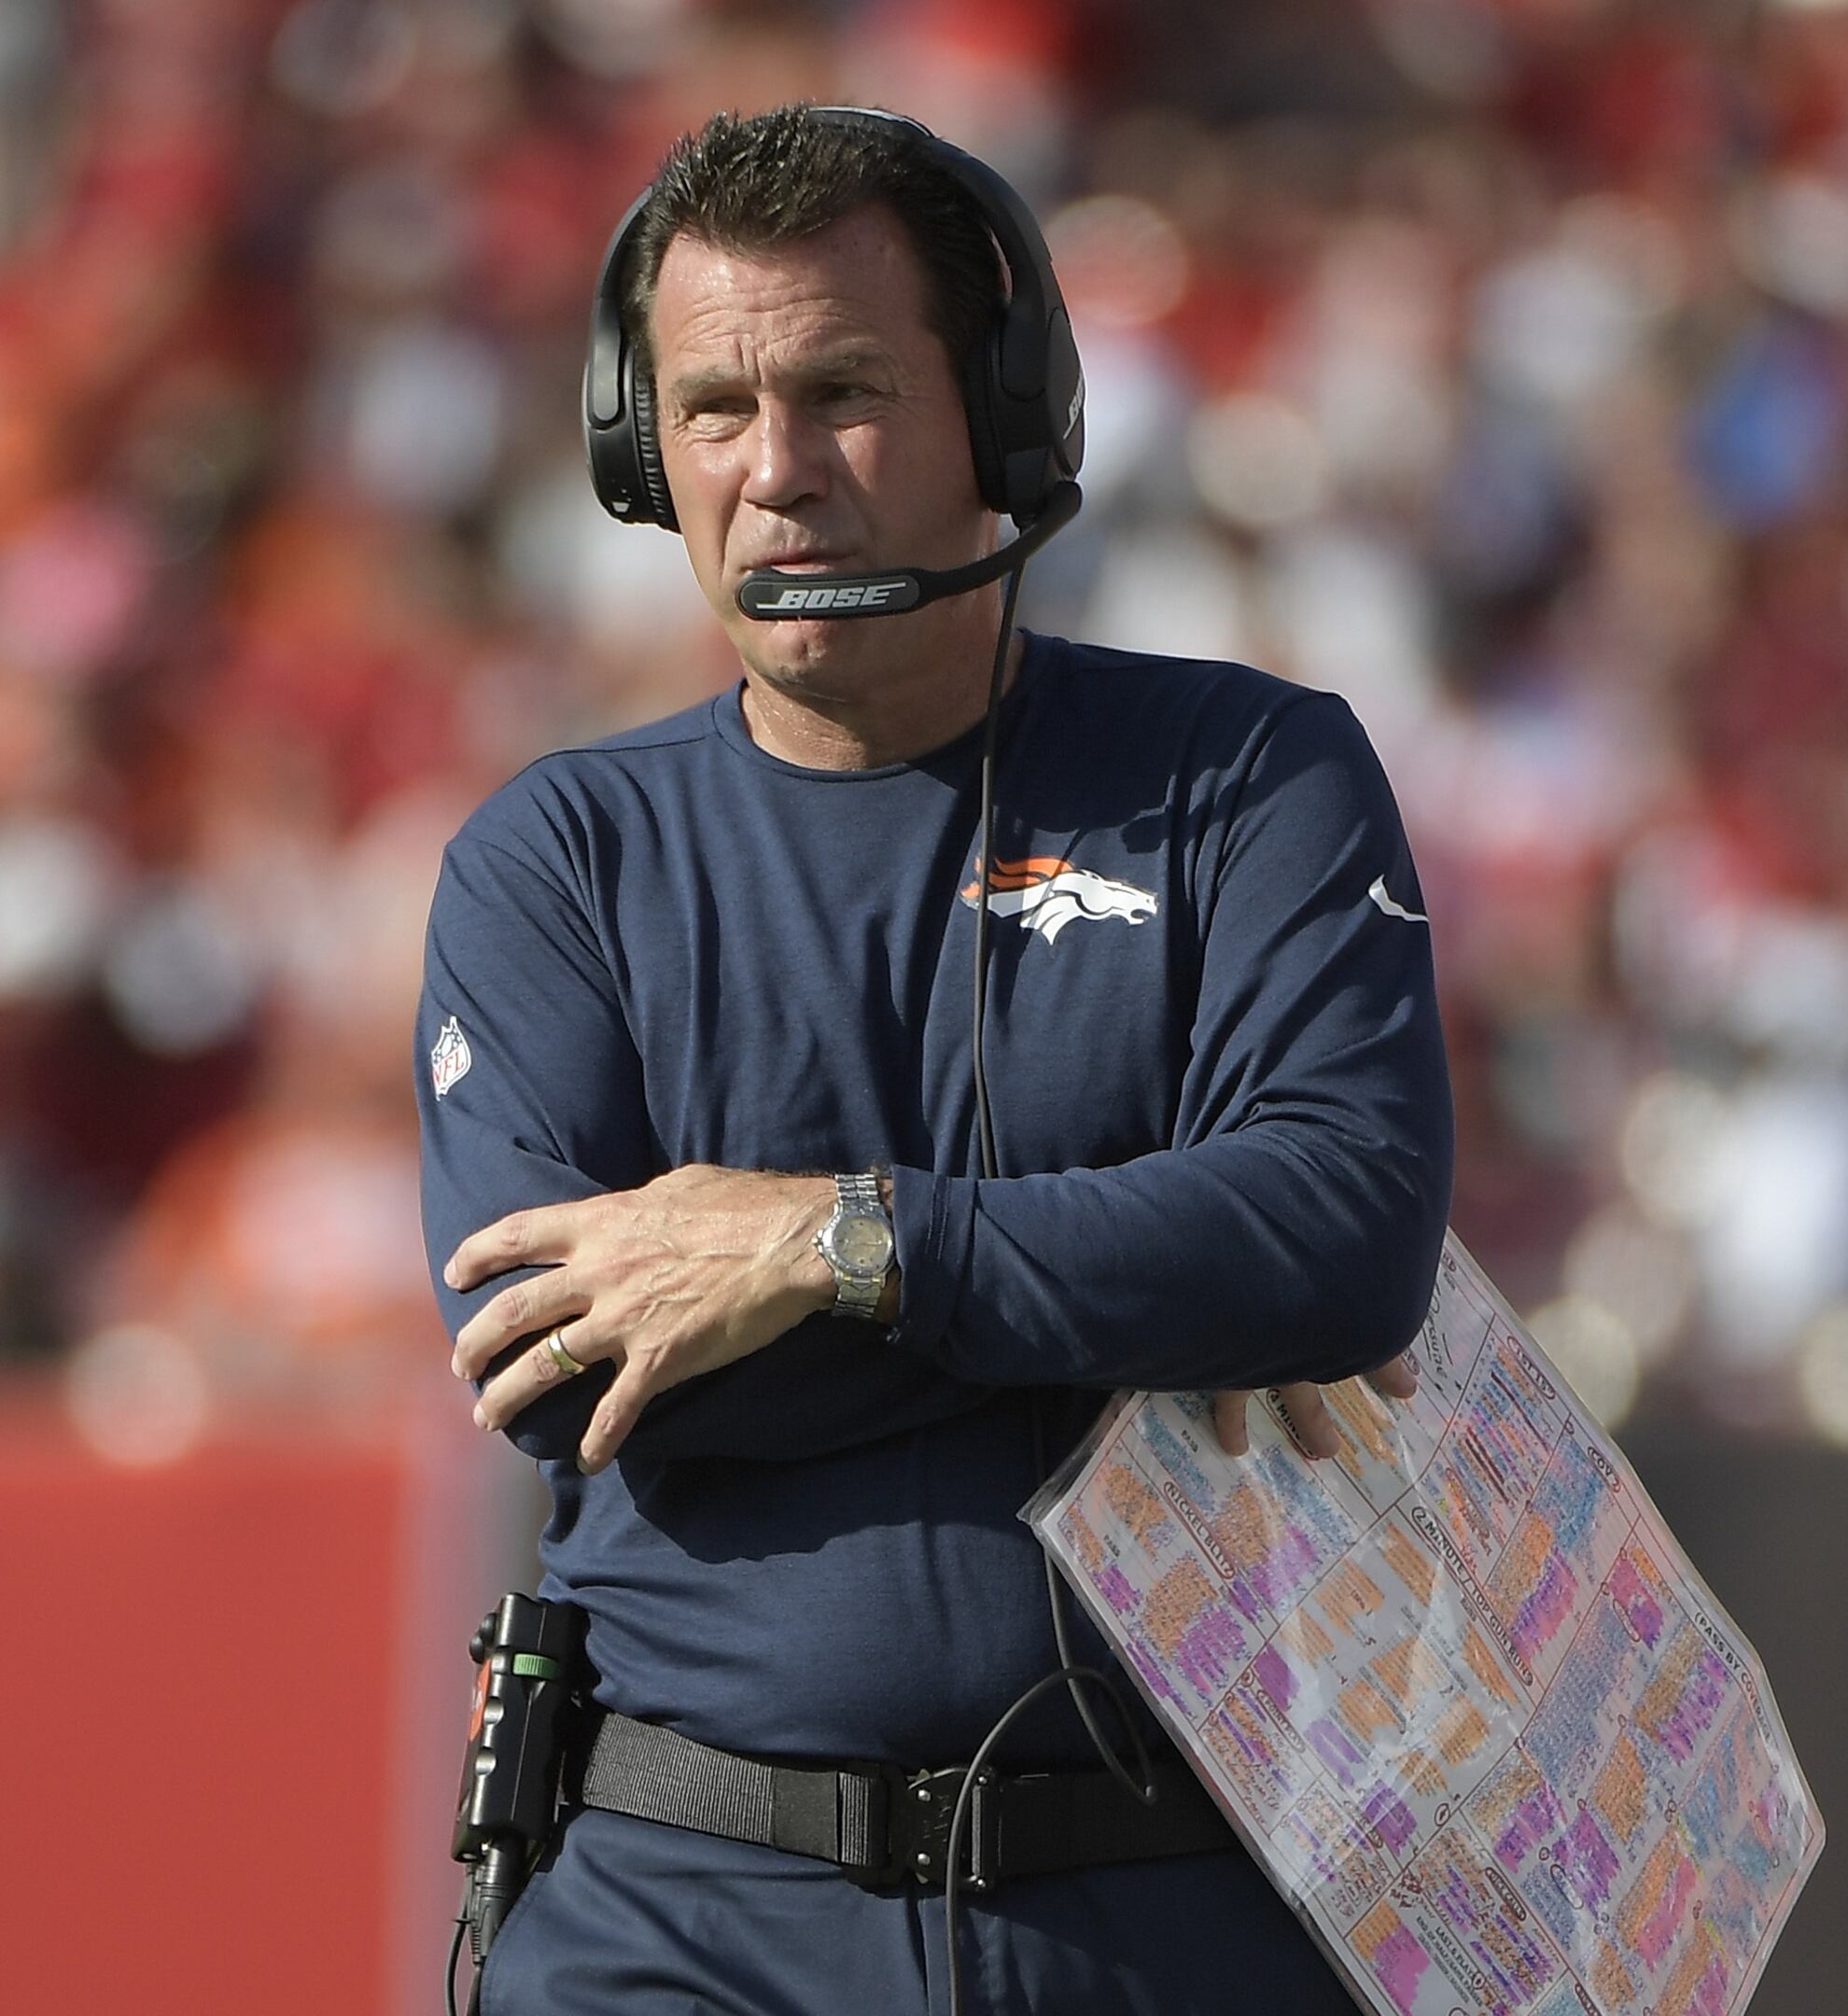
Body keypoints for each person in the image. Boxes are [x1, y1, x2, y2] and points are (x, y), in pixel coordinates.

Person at [413, 106, 1450, 2013]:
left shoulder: (1252, 781)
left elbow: (1345, 1236)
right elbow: (568, 1371)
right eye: (714, 408)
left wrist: (834, 1249)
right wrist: (1145, 1297)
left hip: (1172, 1913)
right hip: (684, 1915)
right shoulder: (555, 861)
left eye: (847, 389)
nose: (780, 469)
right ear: (641, 449)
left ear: (1011, 414)